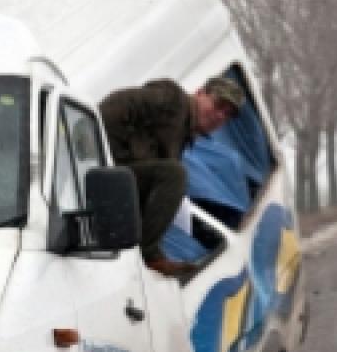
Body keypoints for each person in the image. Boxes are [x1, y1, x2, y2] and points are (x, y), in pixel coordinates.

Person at [99, 75, 245, 276]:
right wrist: (106, 154)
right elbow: (114, 105)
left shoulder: (184, 132)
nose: (220, 116)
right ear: (199, 93)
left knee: (167, 184)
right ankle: (147, 253)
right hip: (106, 174)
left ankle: (146, 253)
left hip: (117, 184)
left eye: (228, 115)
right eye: (218, 105)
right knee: (174, 176)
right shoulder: (172, 100)